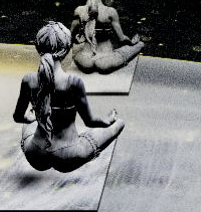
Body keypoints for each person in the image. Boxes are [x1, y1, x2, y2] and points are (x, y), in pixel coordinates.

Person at [13, 22, 126, 172]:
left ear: (38, 47)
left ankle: (36, 121)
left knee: (31, 116)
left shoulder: (28, 80)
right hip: (67, 155)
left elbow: (18, 117)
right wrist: (107, 121)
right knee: (119, 123)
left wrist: (32, 117)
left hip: (36, 154)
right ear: (66, 50)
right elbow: (90, 122)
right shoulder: (73, 82)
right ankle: (111, 122)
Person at [69, 0, 144, 74]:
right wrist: (131, 42)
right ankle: (138, 45)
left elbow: (70, 36)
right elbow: (122, 39)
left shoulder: (79, 11)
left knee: (77, 50)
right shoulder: (110, 12)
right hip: (105, 60)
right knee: (140, 44)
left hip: (86, 60)